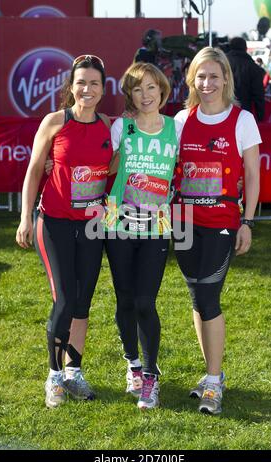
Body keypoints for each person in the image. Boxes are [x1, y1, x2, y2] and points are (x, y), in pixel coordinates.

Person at [16, 55, 113, 408]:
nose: (87, 89)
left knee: (83, 300)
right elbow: (32, 172)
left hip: (91, 225)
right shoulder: (55, 122)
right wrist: (25, 217)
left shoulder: (109, 126)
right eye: (81, 82)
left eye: (94, 84)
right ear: (71, 87)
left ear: (104, 90)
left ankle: (74, 371)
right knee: (65, 300)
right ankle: (54, 376)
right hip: (53, 222)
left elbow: (116, 161)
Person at [174, 46, 261, 415]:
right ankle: (211, 375)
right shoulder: (179, 120)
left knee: (208, 299)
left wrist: (248, 221)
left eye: (214, 75)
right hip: (183, 224)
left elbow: (254, 175)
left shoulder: (243, 121)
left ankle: (213, 380)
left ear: (226, 78)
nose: (207, 82)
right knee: (197, 298)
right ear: (191, 79)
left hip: (222, 224)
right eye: (200, 76)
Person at [104, 62, 182, 410]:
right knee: (124, 299)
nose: (146, 95)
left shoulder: (176, 128)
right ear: (129, 95)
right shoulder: (122, 126)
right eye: (138, 89)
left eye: (152, 87)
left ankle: (151, 376)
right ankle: (133, 365)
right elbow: (102, 166)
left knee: (145, 302)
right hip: (116, 222)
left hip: (157, 225)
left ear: (162, 90)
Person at [227, 37, 265, 121]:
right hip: (244, 111)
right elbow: (259, 94)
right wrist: (260, 117)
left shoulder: (221, 63)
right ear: (245, 48)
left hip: (222, 109)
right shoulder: (253, 67)